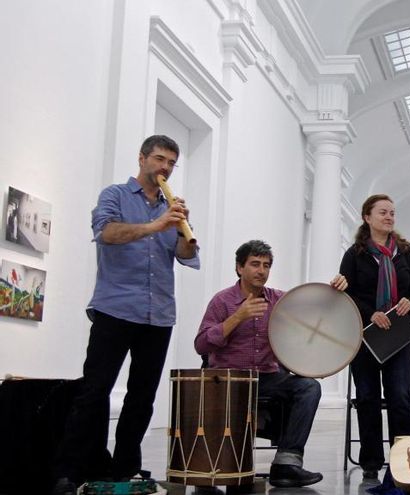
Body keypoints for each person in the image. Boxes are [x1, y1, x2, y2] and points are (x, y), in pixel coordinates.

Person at [52, 135, 200, 495]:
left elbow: (184, 254)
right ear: (142, 158)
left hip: (159, 313)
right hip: (115, 308)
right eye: (160, 159)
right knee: (95, 391)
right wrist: (156, 225)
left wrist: (183, 232)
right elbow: (106, 233)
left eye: (170, 163)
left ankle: (125, 470)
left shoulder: (170, 205)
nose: (164, 168)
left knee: (142, 397)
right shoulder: (115, 195)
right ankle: (70, 471)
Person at [194, 240, 347, 488]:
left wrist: (335, 290)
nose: (261, 270)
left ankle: (286, 464)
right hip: (230, 379)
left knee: (308, 387)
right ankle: (217, 460)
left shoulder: (278, 299)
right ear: (239, 268)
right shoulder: (222, 301)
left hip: (266, 377)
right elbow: (201, 345)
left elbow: (314, 309)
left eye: (266, 265)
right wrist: (238, 317)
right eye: (255, 264)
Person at [338, 194, 410, 479]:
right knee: (367, 397)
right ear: (367, 218)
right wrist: (370, 313)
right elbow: (345, 295)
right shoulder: (354, 254)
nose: (389, 217)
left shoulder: (406, 252)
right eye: (383, 213)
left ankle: (402, 459)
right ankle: (371, 461)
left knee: (400, 396)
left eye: (392, 213)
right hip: (364, 335)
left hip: (398, 335)